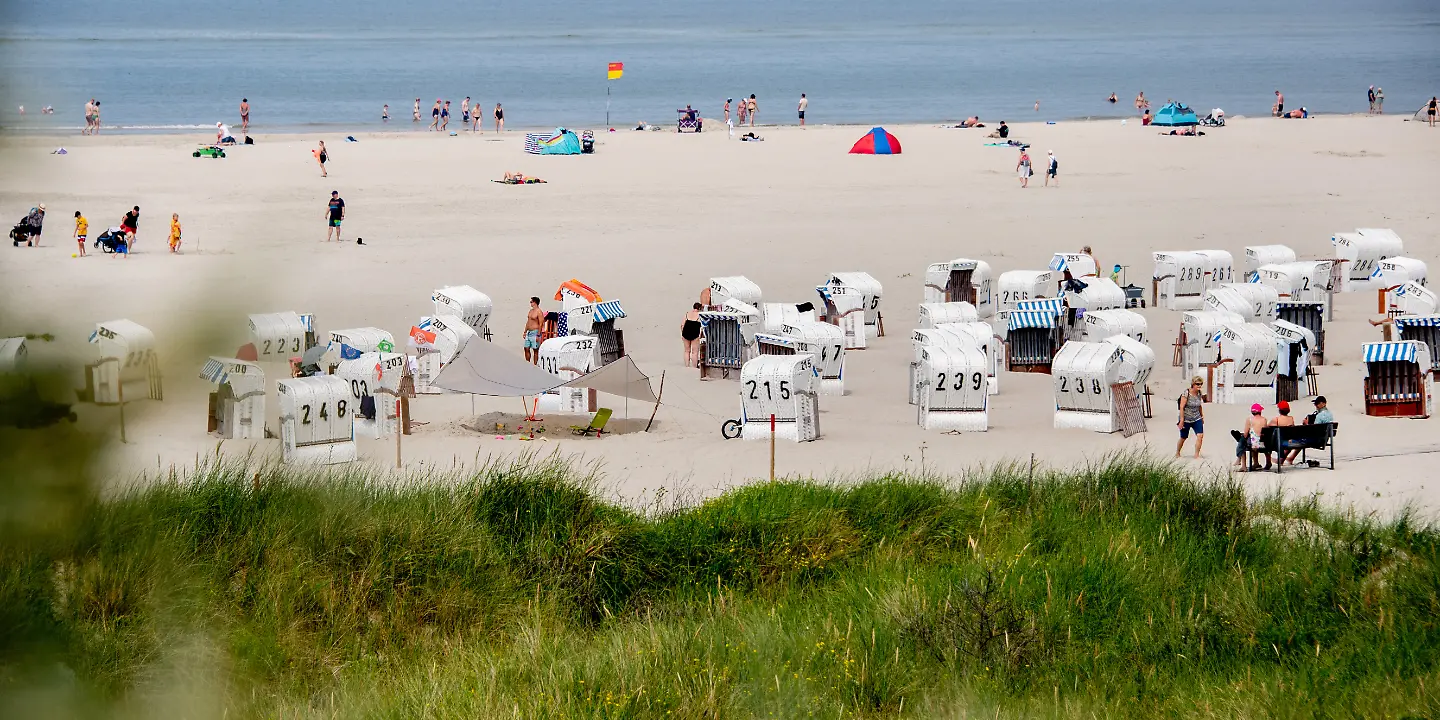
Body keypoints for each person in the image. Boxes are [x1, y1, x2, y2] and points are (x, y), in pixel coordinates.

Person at [1175, 377, 1205, 459]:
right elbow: (1181, 407)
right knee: (1183, 437)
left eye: (1201, 384)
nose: (1199, 386)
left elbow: (1199, 406)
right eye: (1197, 384)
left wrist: (1202, 416)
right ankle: (1177, 452)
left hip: (1196, 417)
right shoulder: (1186, 393)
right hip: (1186, 418)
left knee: (1200, 436)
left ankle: (1196, 454)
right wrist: (1181, 420)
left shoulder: (1199, 393)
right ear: (1193, 384)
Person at [1235, 403, 1270, 472]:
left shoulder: (1249, 419)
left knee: (1242, 441)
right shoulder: (1264, 419)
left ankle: (1243, 466)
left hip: (1254, 444)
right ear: (1260, 411)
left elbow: (1245, 434)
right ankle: (1256, 463)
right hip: (1263, 443)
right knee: (1253, 439)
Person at [1270, 400, 1297, 466]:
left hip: (1280, 442)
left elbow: (1267, 428)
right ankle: (1281, 460)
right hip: (1289, 440)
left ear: (1279, 410)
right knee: (1288, 443)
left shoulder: (1276, 419)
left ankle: (1276, 460)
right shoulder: (1291, 418)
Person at [682, 303, 703, 367]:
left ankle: (687, 365)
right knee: (695, 352)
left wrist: (682, 333)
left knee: (686, 350)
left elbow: (682, 324)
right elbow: (702, 327)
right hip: (695, 333)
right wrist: (700, 335)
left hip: (686, 332)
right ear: (699, 308)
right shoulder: (700, 315)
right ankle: (694, 366)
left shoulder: (687, 314)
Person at [524, 297, 543, 364]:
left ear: (535, 302)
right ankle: (527, 363)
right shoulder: (531, 311)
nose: (530, 303)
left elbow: (541, 324)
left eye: (531, 302)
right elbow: (528, 322)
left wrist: (538, 334)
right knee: (526, 348)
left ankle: (535, 364)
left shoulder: (539, 312)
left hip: (535, 332)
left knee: (535, 349)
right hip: (529, 332)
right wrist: (525, 331)